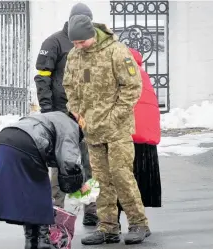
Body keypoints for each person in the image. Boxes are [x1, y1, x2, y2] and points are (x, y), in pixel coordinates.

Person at [63, 7, 150, 245]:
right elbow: (69, 86)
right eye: (75, 42)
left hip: (117, 129)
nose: (78, 45)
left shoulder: (116, 52)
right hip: (92, 130)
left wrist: (114, 117)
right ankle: (108, 227)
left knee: (121, 176)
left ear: (93, 33)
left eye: (81, 41)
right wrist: (77, 111)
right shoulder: (74, 55)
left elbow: (133, 88)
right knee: (100, 181)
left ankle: (138, 223)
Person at [34, 2, 97, 226]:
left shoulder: (90, 44)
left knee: (87, 164)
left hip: (84, 115)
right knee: (62, 163)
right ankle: (55, 209)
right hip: (61, 114)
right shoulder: (54, 42)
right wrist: (48, 111)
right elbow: (42, 78)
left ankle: (91, 209)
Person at [0, 111, 86, 249]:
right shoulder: (70, 125)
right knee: (41, 192)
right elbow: (68, 161)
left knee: (29, 195)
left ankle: (31, 241)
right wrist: (77, 183)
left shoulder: (52, 116)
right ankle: (43, 240)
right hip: (27, 143)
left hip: (5, 140)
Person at [117, 48, 162, 226]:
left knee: (122, 178)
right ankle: (137, 222)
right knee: (139, 179)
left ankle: (125, 221)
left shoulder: (121, 71)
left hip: (128, 133)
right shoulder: (140, 72)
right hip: (146, 135)